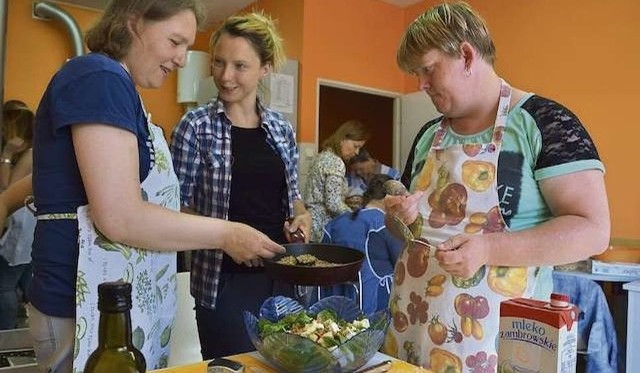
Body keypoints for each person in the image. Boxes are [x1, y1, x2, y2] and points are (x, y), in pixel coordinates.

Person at [29, 1, 284, 372]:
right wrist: (227, 233)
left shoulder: (112, 83)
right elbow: (119, 216)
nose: (182, 59)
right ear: (134, 23)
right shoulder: (99, 77)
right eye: (175, 41)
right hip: (79, 301)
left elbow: (68, 170)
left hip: (105, 303)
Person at [383, 2, 610, 371]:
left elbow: (593, 231)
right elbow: (401, 231)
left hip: (505, 343)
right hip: (413, 333)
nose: (420, 84)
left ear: (467, 55)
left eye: (427, 70)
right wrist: (400, 216)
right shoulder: (428, 135)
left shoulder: (546, 123)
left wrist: (488, 247)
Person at [169, 12, 311, 359]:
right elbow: (173, 206)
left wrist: (302, 217)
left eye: (239, 66)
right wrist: (224, 234)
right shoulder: (195, 126)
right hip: (223, 283)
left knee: (286, 365)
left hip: (283, 277)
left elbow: (293, 196)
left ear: (265, 68)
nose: (225, 76)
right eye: (218, 62)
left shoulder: (281, 129)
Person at [319, 174, 402, 315]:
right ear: (389, 198)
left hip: (331, 303)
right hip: (373, 307)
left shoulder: (335, 223)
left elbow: (320, 261)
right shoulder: (384, 224)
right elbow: (401, 263)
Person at [304, 119, 369, 242]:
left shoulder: (322, 156)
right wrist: (355, 216)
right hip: (323, 228)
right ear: (343, 139)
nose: (357, 152)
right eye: (356, 146)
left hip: (311, 222)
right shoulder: (336, 162)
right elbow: (333, 204)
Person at [0, 101, 35, 331]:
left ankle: (6, 333)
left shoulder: (29, 155)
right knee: (26, 279)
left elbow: (7, 189)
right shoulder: (32, 152)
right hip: (26, 226)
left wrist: (6, 154)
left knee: (5, 285)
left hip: (20, 227)